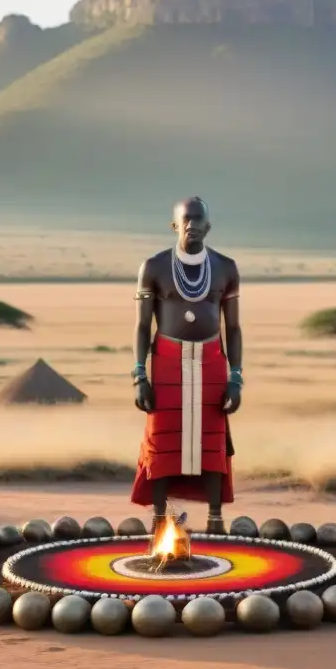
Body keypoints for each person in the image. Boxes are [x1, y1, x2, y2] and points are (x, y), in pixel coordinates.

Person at [130, 197, 242, 534]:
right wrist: (139, 375)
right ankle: (160, 517)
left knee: (213, 439)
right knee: (162, 439)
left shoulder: (226, 268)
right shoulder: (154, 267)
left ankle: (215, 519)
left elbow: (233, 328)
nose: (192, 224)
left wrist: (235, 378)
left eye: (198, 219)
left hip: (210, 360)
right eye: (186, 219)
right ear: (174, 225)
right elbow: (141, 326)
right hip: (166, 360)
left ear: (209, 226)